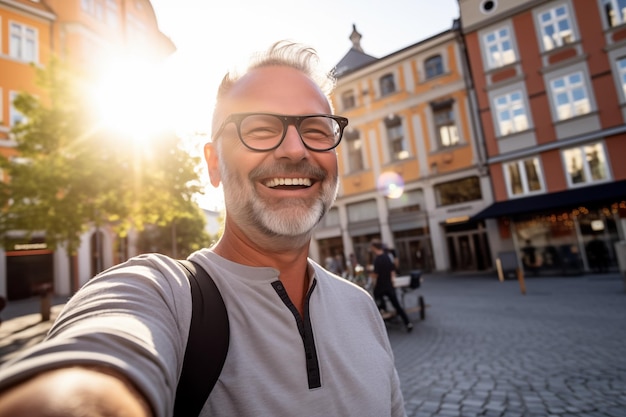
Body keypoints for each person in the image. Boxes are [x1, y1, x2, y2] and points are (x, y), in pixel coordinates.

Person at [0, 41, 407, 417]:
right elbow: (95, 357)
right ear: (213, 163)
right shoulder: (164, 295)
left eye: (317, 129)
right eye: (261, 128)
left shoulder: (361, 307)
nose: (296, 149)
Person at [370, 240, 413, 333]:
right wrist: (392, 281)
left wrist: (373, 281)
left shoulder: (377, 260)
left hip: (380, 287)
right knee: (397, 305)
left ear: (374, 248)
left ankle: (379, 326)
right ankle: (408, 323)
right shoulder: (387, 257)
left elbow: (376, 276)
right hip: (389, 286)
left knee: (377, 305)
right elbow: (392, 271)